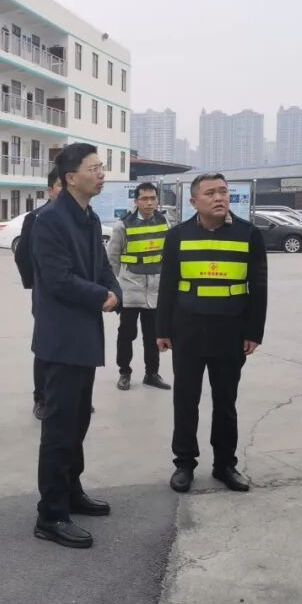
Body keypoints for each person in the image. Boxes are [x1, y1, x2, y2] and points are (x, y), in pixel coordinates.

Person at [30, 144, 122, 549]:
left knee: (78, 420)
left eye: (101, 167)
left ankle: (70, 489)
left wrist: (115, 290)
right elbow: (57, 279)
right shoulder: (49, 220)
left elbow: (102, 266)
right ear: (70, 178)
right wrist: (101, 295)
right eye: (93, 168)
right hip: (62, 338)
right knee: (59, 427)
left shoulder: (89, 216)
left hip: (84, 335)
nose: (101, 174)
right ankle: (50, 514)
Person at [156, 173, 268, 494]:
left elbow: (259, 287)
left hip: (231, 331)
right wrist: (162, 329)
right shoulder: (177, 236)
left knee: (226, 401)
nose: (219, 198)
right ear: (194, 202)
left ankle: (225, 465)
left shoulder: (249, 234)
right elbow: (167, 285)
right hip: (187, 331)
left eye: (223, 191)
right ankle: (184, 463)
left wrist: (254, 332)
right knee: (185, 400)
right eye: (210, 193)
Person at [107, 182, 172, 392]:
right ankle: (124, 373)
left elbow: (169, 257)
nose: (149, 203)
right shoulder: (122, 225)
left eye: (153, 198)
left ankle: (152, 373)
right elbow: (112, 259)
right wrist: (114, 289)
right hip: (130, 290)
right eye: (144, 199)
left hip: (155, 291)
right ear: (136, 201)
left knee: (153, 335)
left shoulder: (164, 223)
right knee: (127, 334)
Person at [14, 168, 62, 419]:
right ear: (50, 190)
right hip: (46, 294)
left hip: (77, 294)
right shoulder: (37, 217)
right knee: (46, 345)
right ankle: (41, 397)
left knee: (72, 345)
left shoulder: (85, 216)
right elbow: (22, 255)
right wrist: (35, 284)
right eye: (60, 186)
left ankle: (69, 395)